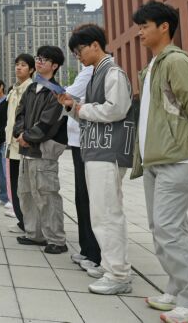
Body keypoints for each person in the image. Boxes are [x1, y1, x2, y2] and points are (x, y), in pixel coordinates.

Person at [131, 1, 188, 323]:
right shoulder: (152, 66)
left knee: (168, 228)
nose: (140, 32)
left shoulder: (175, 61)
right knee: (163, 227)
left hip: (176, 157)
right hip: (155, 158)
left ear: (164, 27)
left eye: (145, 26)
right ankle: (177, 289)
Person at [59, 24, 135, 295]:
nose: (78, 56)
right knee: (100, 213)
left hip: (108, 151)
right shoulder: (95, 74)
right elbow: (89, 112)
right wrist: (72, 108)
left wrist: (81, 108)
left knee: (108, 214)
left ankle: (119, 274)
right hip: (96, 150)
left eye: (79, 50)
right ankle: (110, 266)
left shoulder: (112, 72)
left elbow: (116, 109)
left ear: (95, 45)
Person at [13, 46, 69, 255]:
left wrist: (28, 137)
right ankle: (34, 234)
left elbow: (49, 122)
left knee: (47, 195)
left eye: (44, 59)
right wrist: (20, 133)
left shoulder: (56, 92)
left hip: (44, 151)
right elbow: (20, 113)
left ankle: (56, 239)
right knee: (26, 193)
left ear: (55, 66)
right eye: (38, 58)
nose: (39, 61)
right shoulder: (31, 88)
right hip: (26, 150)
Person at [64, 64, 102, 274]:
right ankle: (86, 249)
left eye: (80, 50)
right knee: (81, 198)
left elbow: (68, 95)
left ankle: (95, 254)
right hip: (78, 141)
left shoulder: (97, 71)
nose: (78, 55)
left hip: (90, 143)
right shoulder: (86, 70)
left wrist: (66, 96)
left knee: (89, 199)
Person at [4, 54, 35, 233]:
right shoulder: (14, 90)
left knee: (24, 188)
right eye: (17, 64)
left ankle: (27, 223)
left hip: (23, 145)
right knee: (15, 185)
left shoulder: (31, 89)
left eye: (23, 65)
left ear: (31, 69)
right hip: (12, 146)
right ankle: (22, 222)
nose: (18, 67)